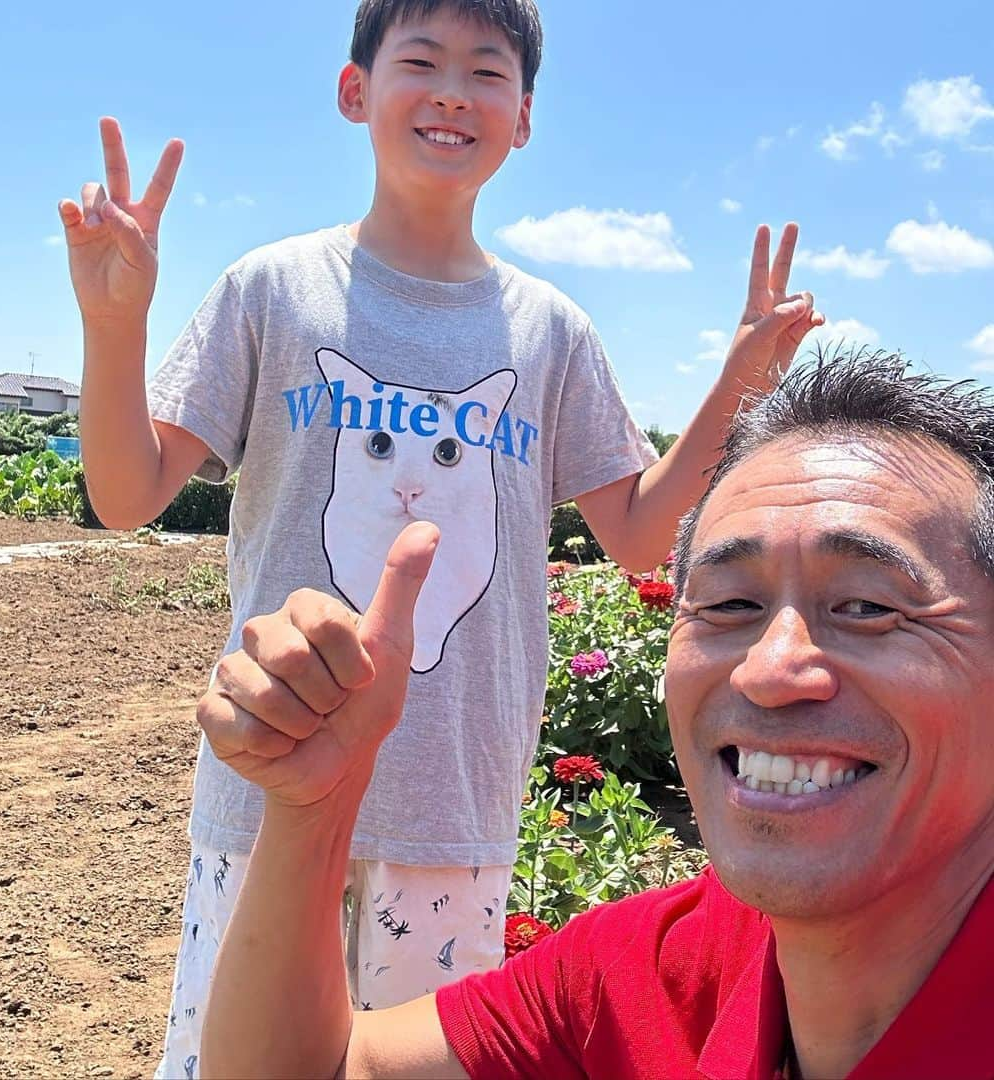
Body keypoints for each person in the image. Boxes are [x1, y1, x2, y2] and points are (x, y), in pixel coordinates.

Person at [56, 0, 822, 1073]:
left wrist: (739, 385)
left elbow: (641, 537)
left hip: (454, 799)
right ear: (354, 91)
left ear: (524, 119)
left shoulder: (550, 334)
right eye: (421, 59)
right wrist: (113, 323)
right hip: (272, 779)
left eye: (488, 69)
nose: (454, 89)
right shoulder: (272, 291)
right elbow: (129, 492)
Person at [198, 350, 994, 1080]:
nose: (770, 669)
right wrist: (316, 808)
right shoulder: (646, 974)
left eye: (866, 605)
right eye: (730, 604)